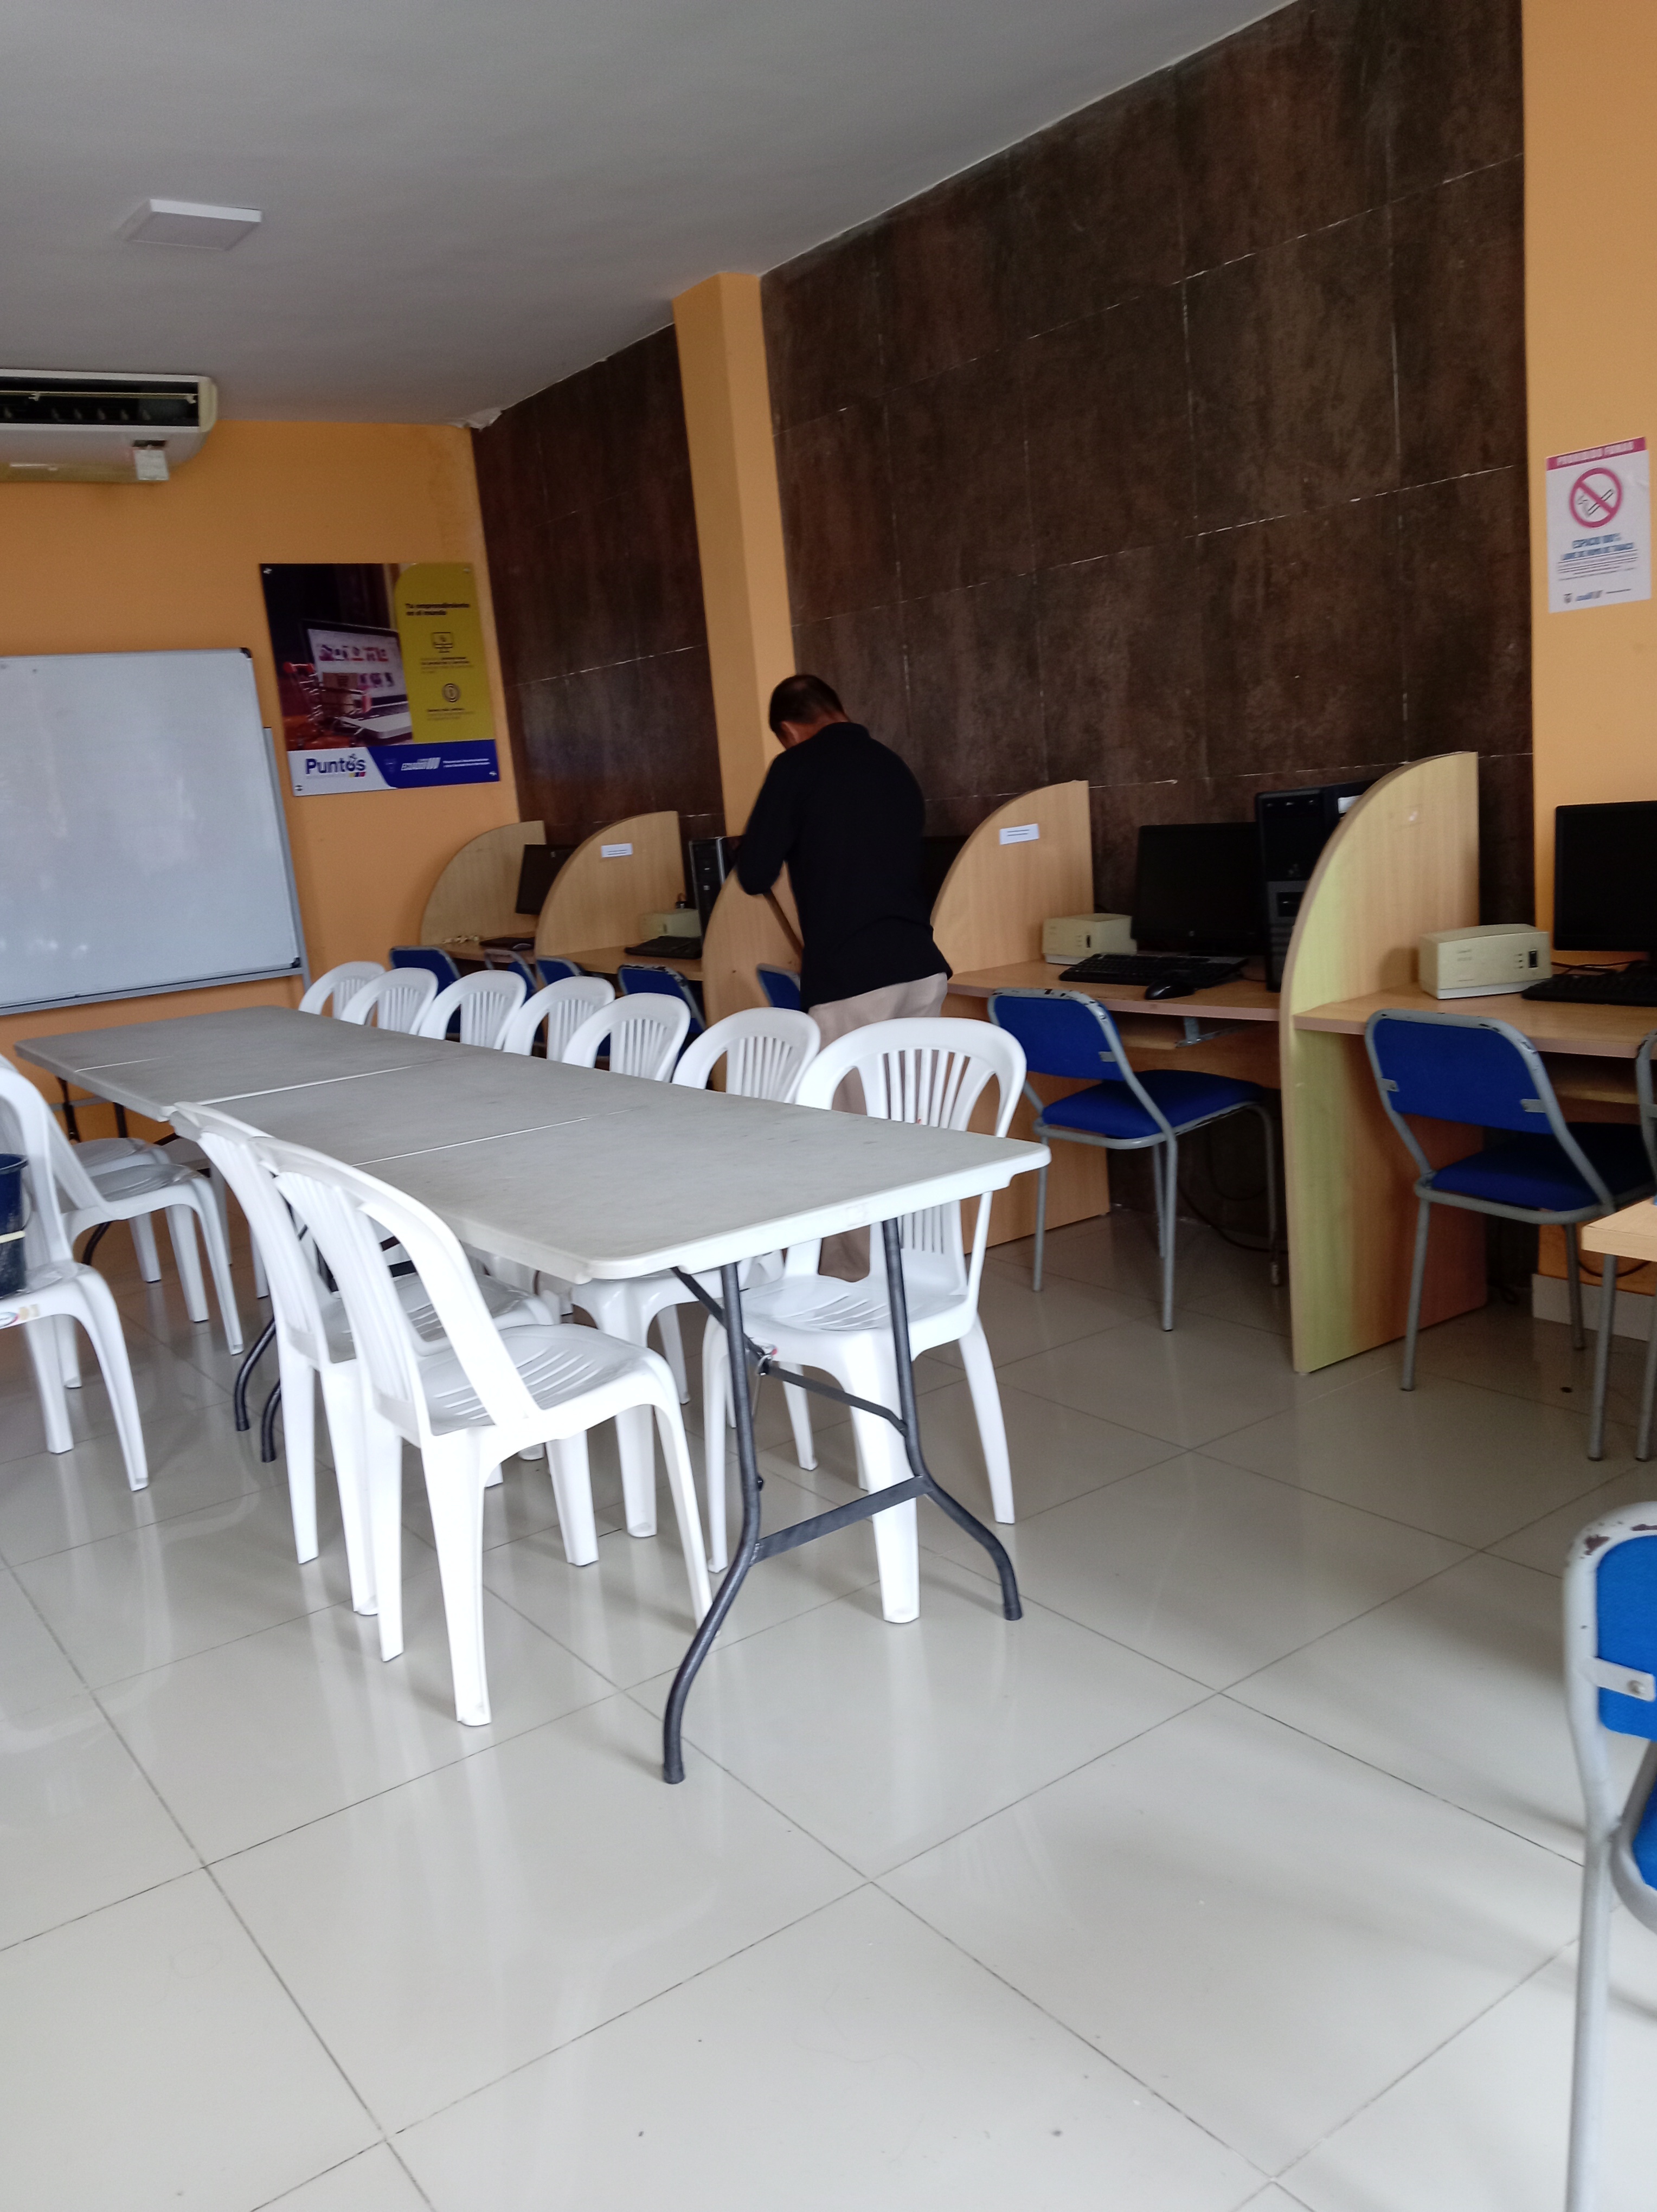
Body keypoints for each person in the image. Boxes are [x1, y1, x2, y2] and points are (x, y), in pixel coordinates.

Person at [736, 674, 950, 1045]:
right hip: (922, 969)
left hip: (853, 980)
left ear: (788, 731)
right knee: (913, 1086)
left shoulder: (795, 766)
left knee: (845, 1088)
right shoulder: (893, 765)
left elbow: (755, 874)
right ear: (840, 711)